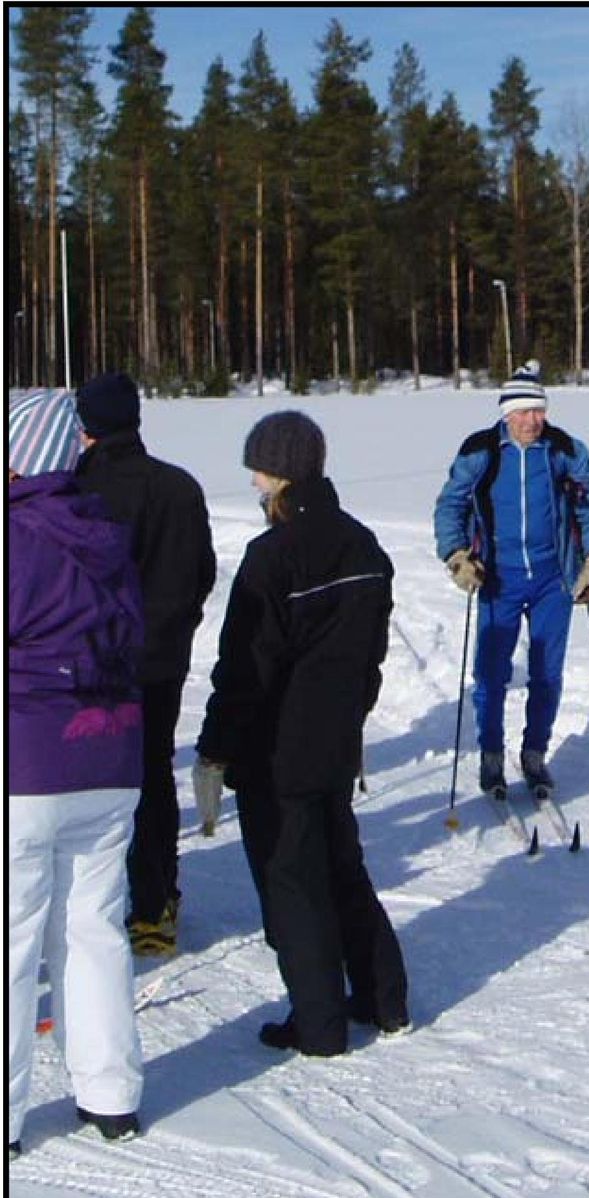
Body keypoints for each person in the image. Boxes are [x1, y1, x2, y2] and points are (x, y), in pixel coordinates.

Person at [194, 411, 409, 1057]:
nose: (255, 484)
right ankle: (383, 998)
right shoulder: (364, 544)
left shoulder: (272, 557)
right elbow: (369, 656)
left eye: (259, 471)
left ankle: (319, 1025)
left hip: (278, 753)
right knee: (341, 865)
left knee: (294, 883)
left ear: (284, 472)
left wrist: (214, 750)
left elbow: (244, 671)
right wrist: (354, 717)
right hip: (335, 743)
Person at [8, 389, 145, 1156]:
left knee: (15, 937)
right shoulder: (106, 532)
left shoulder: (14, 536)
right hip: (109, 757)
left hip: (28, 764)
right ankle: (111, 1094)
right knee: (94, 930)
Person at [74, 372, 216, 956]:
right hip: (160, 661)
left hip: (95, 663)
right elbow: (201, 575)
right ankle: (155, 905)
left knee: (93, 780)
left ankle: (99, 902)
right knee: (152, 773)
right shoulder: (178, 487)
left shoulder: (75, 491)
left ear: (87, 429)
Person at [433, 359, 589, 795]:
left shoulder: (566, 450)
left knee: (547, 674)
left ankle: (534, 756)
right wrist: (457, 557)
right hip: (498, 579)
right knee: (491, 674)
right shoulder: (481, 451)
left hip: (554, 579)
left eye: (539, 410)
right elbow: (449, 506)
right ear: (506, 413)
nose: (534, 420)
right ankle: (491, 756)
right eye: (524, 412)